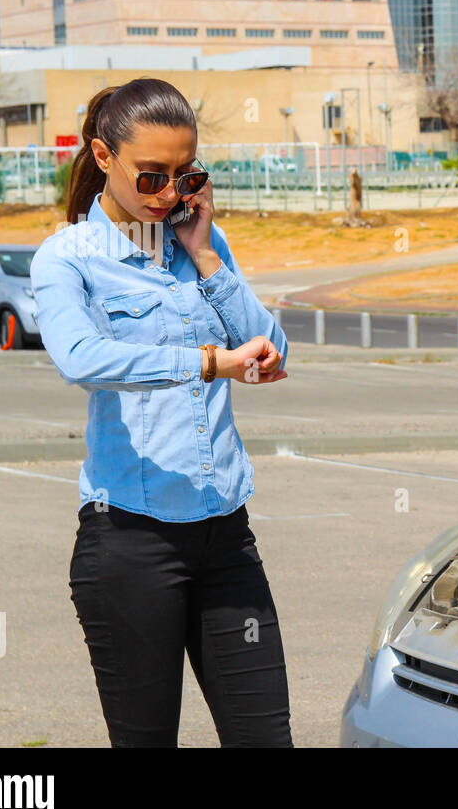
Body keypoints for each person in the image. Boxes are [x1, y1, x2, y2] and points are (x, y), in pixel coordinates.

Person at [30, 77, 293, 747]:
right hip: (130, 544)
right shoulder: (69, 258)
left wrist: (205, 253)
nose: (171, 194)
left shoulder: (200, 242)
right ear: (102, 156)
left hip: (225, 537)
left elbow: (274, 350)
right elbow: (83, 358)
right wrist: (208, 362)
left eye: (187, 174)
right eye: (153, 177)